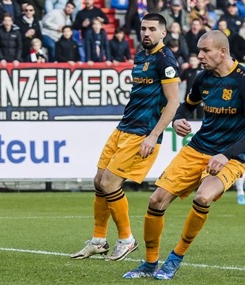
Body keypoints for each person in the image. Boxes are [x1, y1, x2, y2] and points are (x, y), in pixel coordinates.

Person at [123, 30, 245, 280]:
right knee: (155, 201)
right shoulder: (203, 78)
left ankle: (175, 258)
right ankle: (149, 263)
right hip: (196, 149)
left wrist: (226, 155)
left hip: (231, 156)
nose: (199, 56)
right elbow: (187, 105)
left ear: (222, 51)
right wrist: (180, 118)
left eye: (205, 51)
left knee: (203, 198)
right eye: (198, 50)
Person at [70, 13, 180, 261]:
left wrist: (153, 136)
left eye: (152, 29)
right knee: (99, 181)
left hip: (142, 132)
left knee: (110, 183)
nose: (146, 33)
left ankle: (127, 239)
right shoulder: (141, 55)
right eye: (143, 29)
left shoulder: (166, 60)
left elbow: (173, 102)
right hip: (123, 127)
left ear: (163, 33)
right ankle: (98, 240)